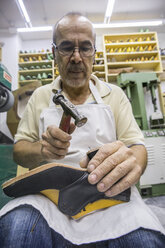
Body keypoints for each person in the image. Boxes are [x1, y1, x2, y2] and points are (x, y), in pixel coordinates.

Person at [0, 12, 165, 248]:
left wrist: (133, 163)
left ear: (94, 54)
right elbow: (19, 150)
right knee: (18, 229)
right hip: (49, 199)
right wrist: (41, 150)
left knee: (144, 241)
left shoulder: (114, 95)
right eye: (67, 47)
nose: (77, 57)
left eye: (85, 48)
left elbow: (137, 147)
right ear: (54, 52)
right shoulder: (40, 97)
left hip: (108, 198)